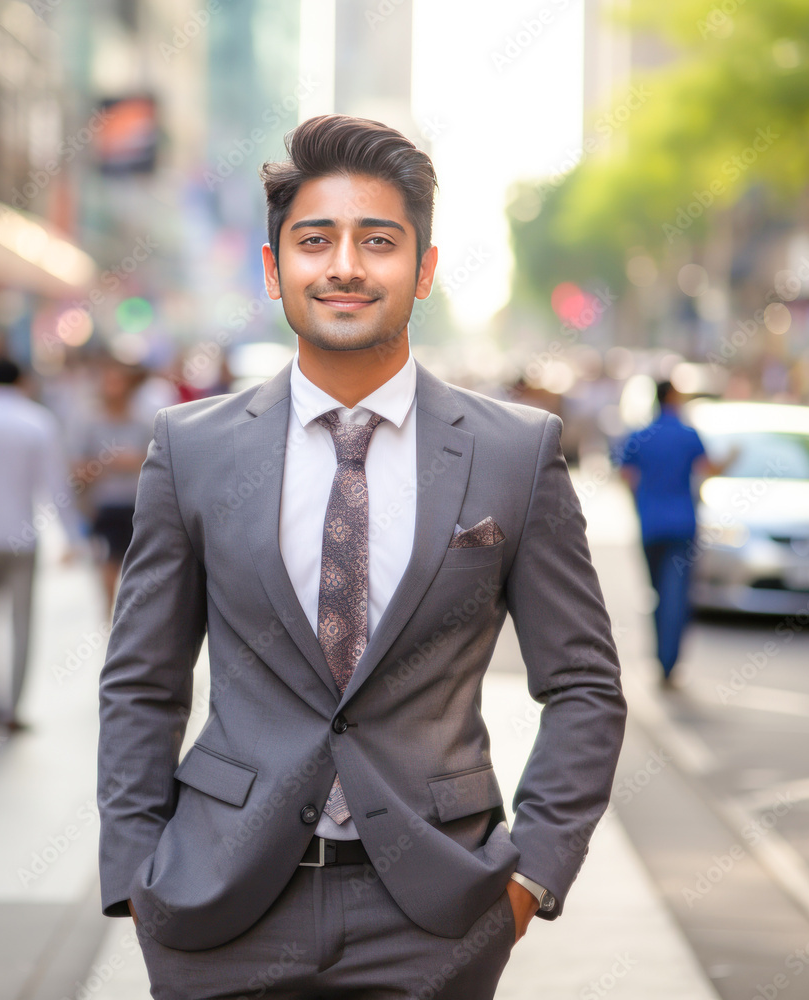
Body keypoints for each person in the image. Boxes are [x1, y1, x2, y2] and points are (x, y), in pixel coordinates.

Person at [97, 115, 627, 1000]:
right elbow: (142, 681)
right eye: (315, 241)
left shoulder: (514, 452)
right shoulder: (193, 448)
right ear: (275, 272)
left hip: (436, 916)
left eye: (377, 241)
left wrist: (530, 877)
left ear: (421, 270)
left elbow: (583, 684)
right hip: (219, 905)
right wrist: (134, 874)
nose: (345, 265)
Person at [0, 357, 81, 731]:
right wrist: (71, 536)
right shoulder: (37, 421)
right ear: (22, 380)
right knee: (22, 623)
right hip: (22, 537)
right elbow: (56, 485)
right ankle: (14, 708)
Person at [617, 378, 731, 687]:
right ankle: (668, 663)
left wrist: (642, 501)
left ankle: (661, 658)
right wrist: (733, 457)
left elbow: (625, 475)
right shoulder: (687, 435)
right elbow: (710, 468)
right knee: (676, 596)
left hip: (651, 525)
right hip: (682, 526)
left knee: (658, 593)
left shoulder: (640, 436)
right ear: (674, 397)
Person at [73, 362, 152, 619]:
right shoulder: (90, 423)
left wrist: (130, 462)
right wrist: (107, 464)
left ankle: (129, 620)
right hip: (103, 506)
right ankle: (110, 621)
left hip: (136, 506)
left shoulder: (142, 423)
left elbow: (155, 463)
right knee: (107, 565)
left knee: (135, 568)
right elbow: (77, 468)